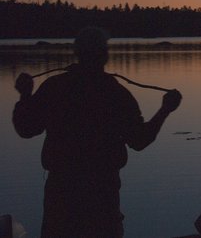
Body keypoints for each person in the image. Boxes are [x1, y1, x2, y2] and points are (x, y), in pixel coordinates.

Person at [13, 27, 182, 238]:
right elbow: (140, 140)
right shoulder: (116, 94)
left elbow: (26, 129)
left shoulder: (55, 87)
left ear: (77, 53)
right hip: (102, 194)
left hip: (61, 194)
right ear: (103, 55)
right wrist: (165, 110)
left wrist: (25, 96)